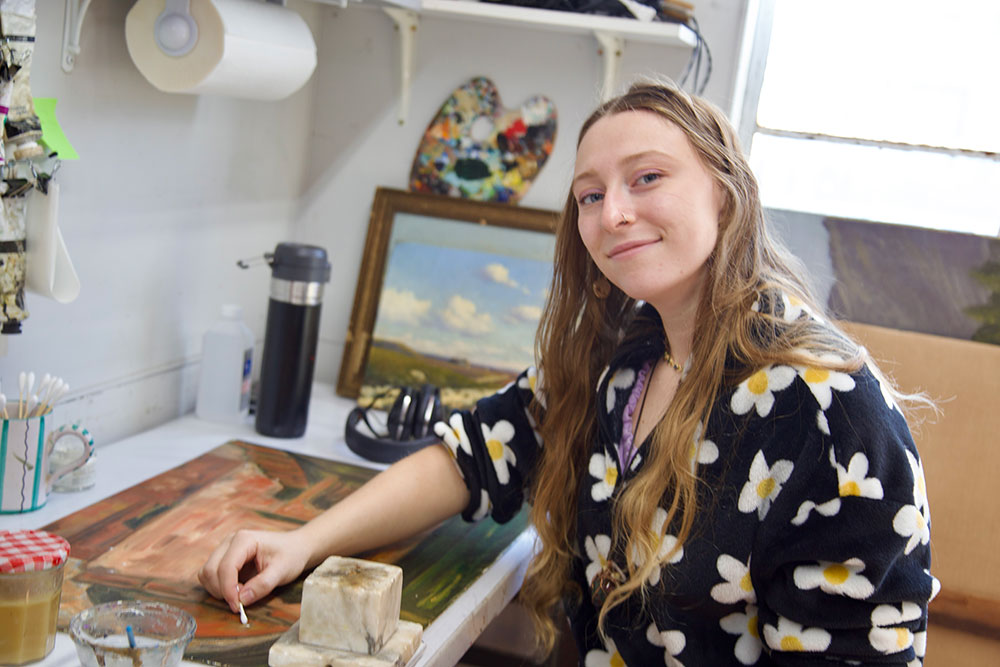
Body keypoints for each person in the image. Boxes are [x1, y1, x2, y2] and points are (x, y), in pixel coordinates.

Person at [200, 79, 936, 665]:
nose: (612, 212)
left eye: (646, 177)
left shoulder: (826, 412)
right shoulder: (622, 355)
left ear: (726, 190)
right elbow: (475, 453)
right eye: (590, 194)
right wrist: (304, 541)